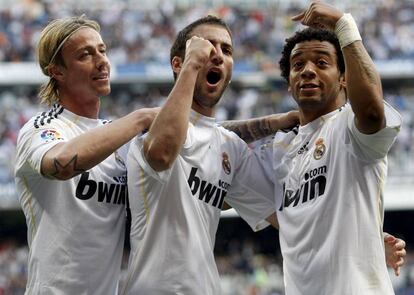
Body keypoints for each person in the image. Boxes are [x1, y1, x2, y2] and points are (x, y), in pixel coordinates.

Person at [223, 2, 403, 294]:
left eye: (321, 63)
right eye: (298, 65)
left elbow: (371, 111)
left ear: (344, 77)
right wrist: (273, 122)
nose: (307, 70)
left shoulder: (350, 129)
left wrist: (344, 24)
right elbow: (209, 140)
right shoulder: (280, 148)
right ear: (289, 81)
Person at [121, 15, 299, 295]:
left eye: (226, 50)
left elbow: (288, 216)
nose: (217, 55)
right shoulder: (149, 129)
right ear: (178, 64)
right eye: (205, 46)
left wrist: (367, 239)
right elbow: (164, 153)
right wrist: (192, 64)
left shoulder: (230, 147)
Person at [14, 16, 157, 294]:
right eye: (85, 55)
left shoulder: (117, 138)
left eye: (102, 50)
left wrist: (266, 125)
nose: (102, 61)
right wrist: (141, 118)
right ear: (57, 71)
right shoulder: (43, 127)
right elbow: (62, 163)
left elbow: (203, 141)